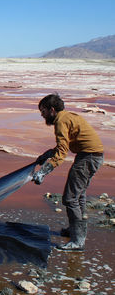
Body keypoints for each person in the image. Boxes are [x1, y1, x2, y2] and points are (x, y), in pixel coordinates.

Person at [33, 93, 104, 251]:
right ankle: (75, 231)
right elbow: (61, 147)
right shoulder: (66, 117)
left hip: (89, 157)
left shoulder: (61, 121)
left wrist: (43, 172)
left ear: (52, 110)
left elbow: (61, 154)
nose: (42, 114)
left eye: (43, 111)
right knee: (79, 196)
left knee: (70, 198)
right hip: (91, 155)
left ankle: (78, 241)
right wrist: (46, 155)